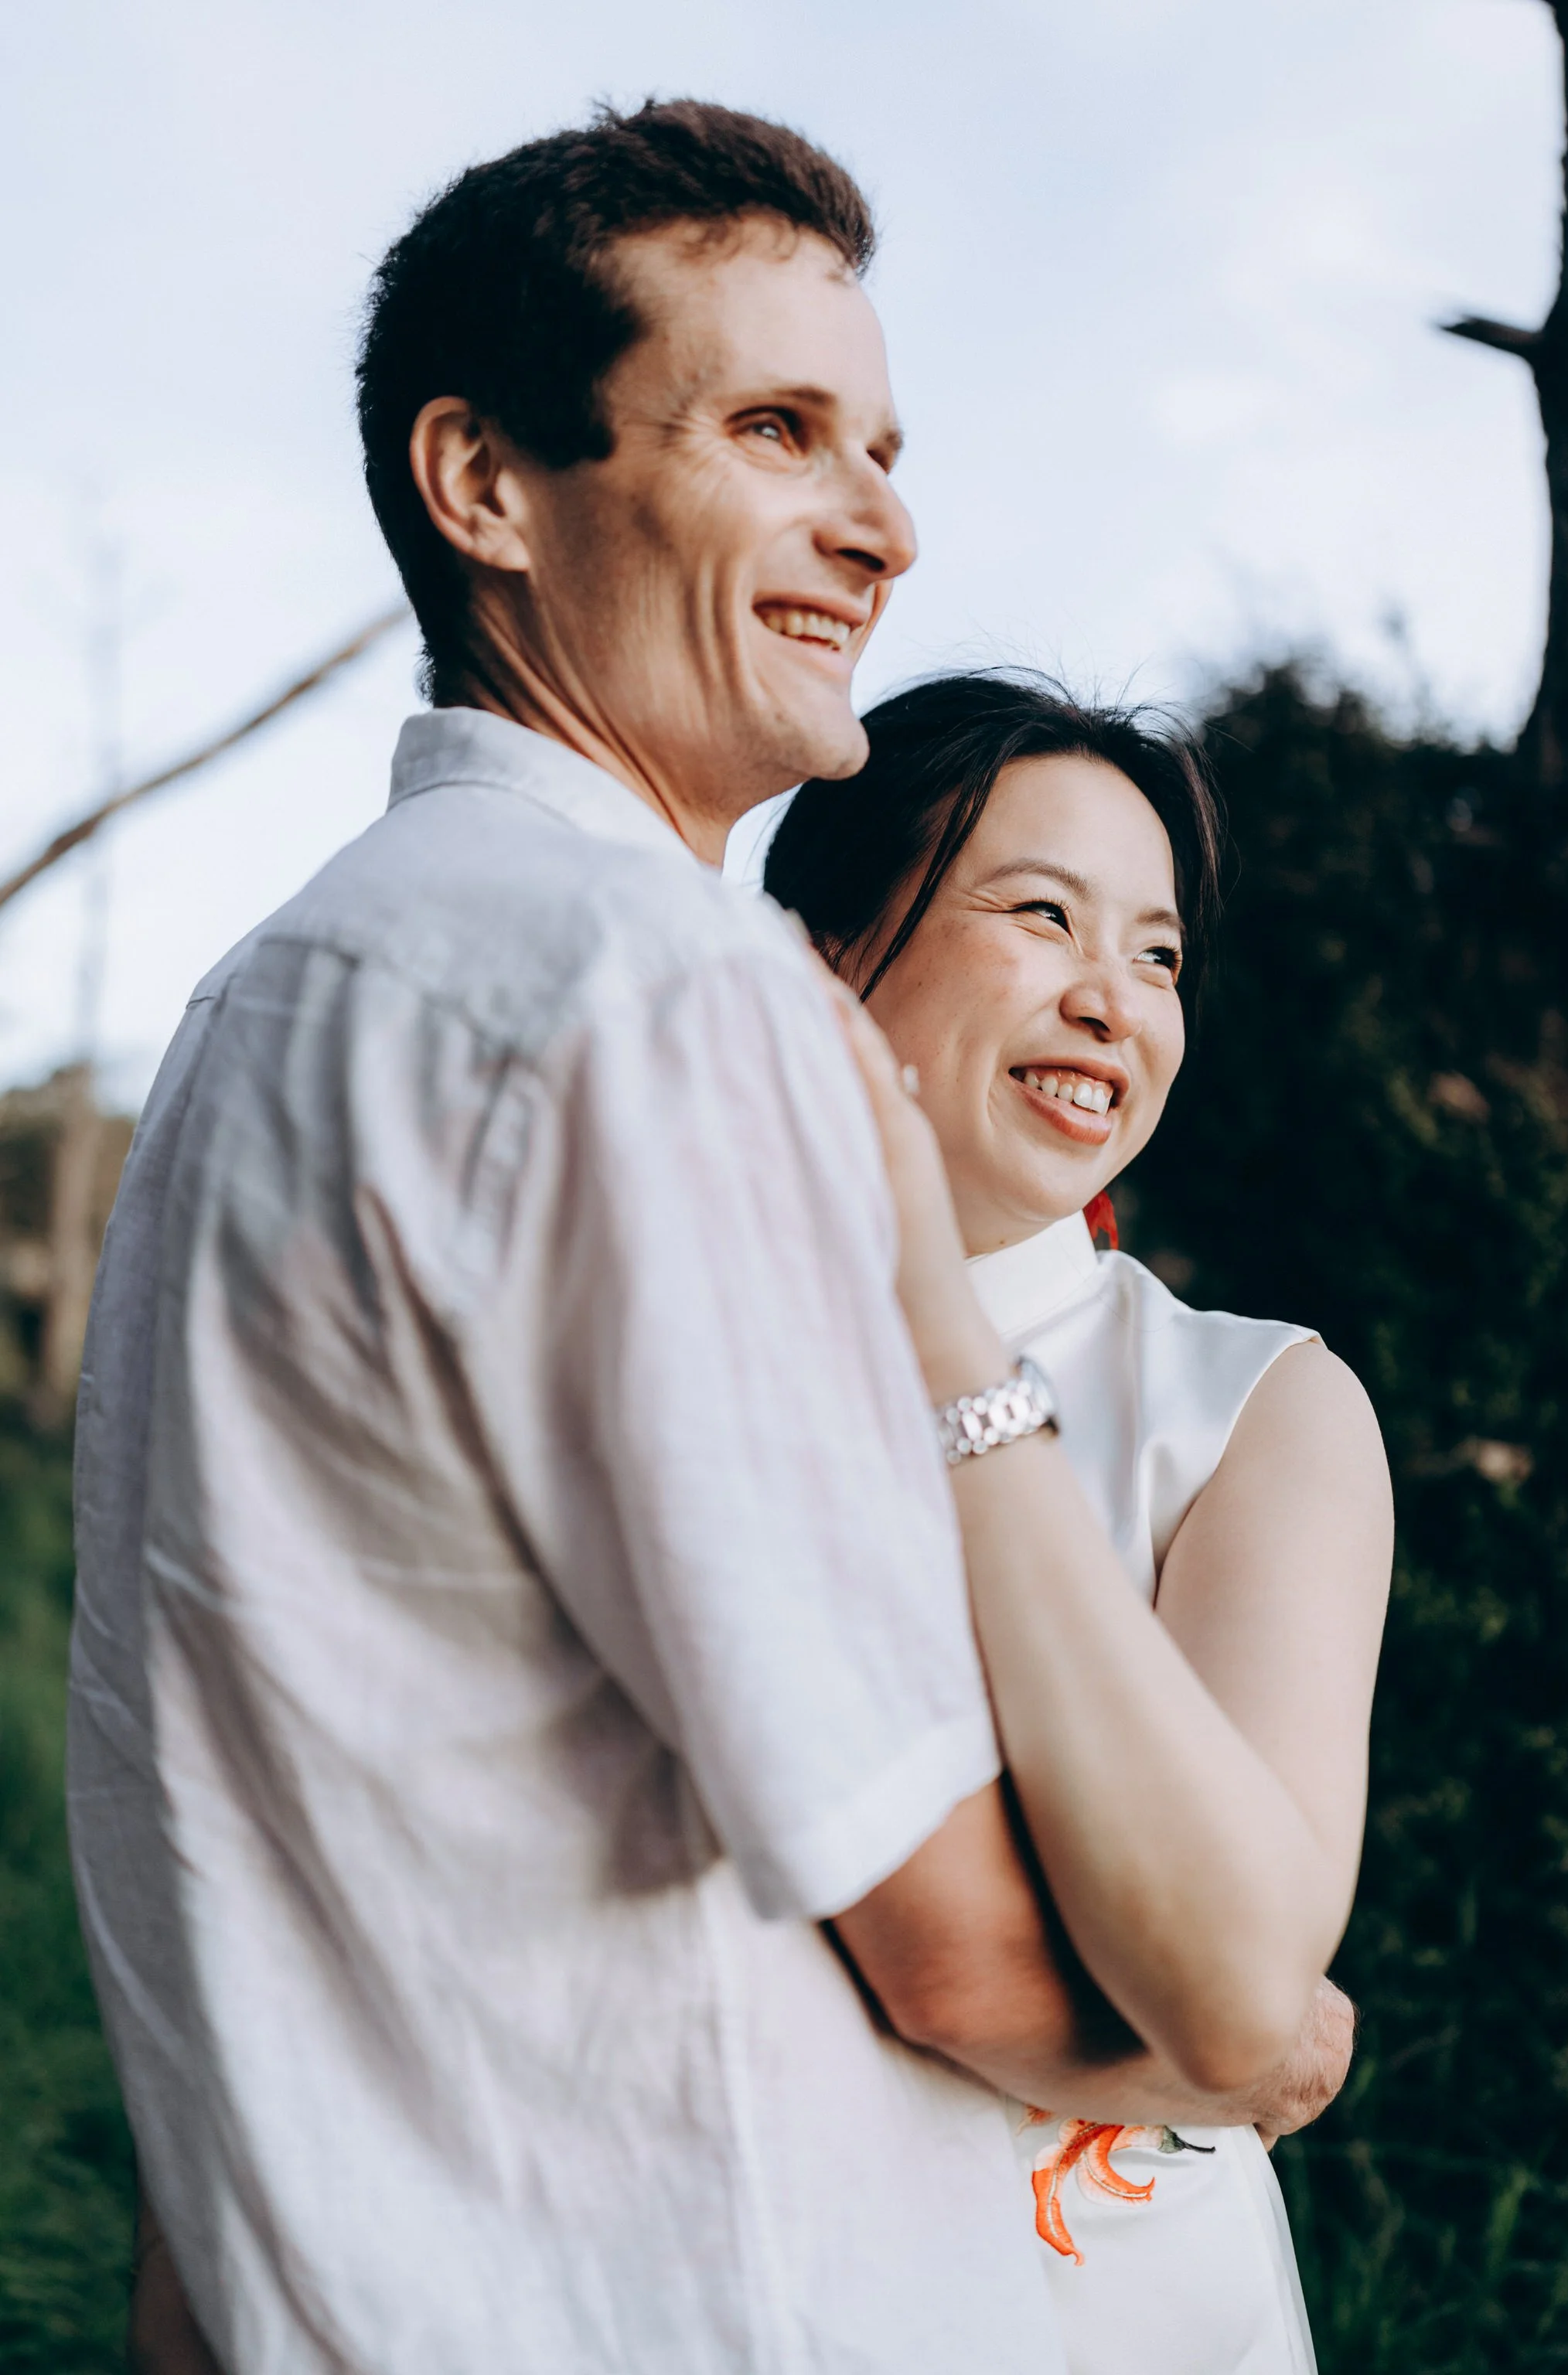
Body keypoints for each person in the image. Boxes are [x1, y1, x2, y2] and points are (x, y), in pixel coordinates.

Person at [71, 101, 1355, 2375]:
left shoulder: (260, 999)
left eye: (881, 450)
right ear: (483, 482)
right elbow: (955, 1946)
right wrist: (1249, 2044)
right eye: (776, 430)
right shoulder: (656, 999)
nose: (883, 526)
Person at [764, 669, 1395, 2375]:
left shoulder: (1255, 1412)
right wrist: (1195, 2040)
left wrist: (1230, 2028)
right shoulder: (659, 1341)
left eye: (1159, 954)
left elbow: (1244, 1978)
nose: (1114, 1002)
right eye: (1043, 916)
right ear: (821, 957)